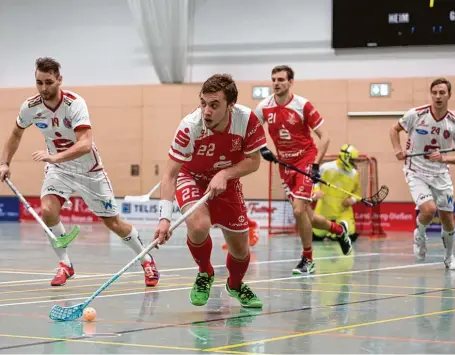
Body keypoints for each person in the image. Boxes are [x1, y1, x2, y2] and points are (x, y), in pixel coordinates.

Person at [0, 57, 159, 286]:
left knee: (113, 223)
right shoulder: (31, 107)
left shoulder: (75, 104)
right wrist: (5, 162)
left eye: (49, 82)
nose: (44, 88)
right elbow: (16, 134)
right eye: (39, 83)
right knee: (47, 210)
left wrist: (54, 156)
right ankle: (65, 264)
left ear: (59, 79)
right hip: (58, 170)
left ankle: (146, 259)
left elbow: (85, 144)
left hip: (88, 169)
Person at [154, 74, 266, 308]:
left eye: (214, 105)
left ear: (230, 106)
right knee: (198, 225)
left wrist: (225, 174)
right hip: (191, 178)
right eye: (203, 103)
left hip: (227, 183)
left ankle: (235, 285)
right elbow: (170, 175)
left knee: (240, 250)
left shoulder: (247, 121)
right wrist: (164, 218)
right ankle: (204, 272)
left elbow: (254, 161)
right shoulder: (189, 126)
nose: (206, 111)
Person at [254, 65, 352, 275]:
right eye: (274, 79)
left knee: (298, 210)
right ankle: (339, 230)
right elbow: (252, 131)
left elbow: (324, 136)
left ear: (291, 82)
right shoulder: (264, 107)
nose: (276, 83)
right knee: (308, 216)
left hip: (305, 160)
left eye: (281, 79)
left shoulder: (302, 105)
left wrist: (316, 164)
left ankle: (308, 259)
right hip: (285, 165)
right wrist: (262, 148)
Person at [389, 78, 455, 270]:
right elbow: (394, 129)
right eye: (434, 92)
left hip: (441, 174)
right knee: (428, 209)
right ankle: (420, 234)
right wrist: (397, 149)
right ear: (431, 94)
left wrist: (444, 158)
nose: (438, 96)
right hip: (415, 170)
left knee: (448, 220)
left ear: (449, 95)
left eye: (442, 93)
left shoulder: (454, 123)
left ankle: (449, 258)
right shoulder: (416, 114)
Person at [312, 144, 361, 242]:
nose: (354, 163)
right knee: (316, 236)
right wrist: (316, 192)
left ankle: (333, 234)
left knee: (349, 236)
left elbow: (357, 193)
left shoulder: (354, 174)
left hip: (342, 212)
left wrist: (352, 199)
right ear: (346, 158)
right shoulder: (326, 167)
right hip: (324, 210)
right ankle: (329, 233)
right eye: (353, 160)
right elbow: (314, 182)